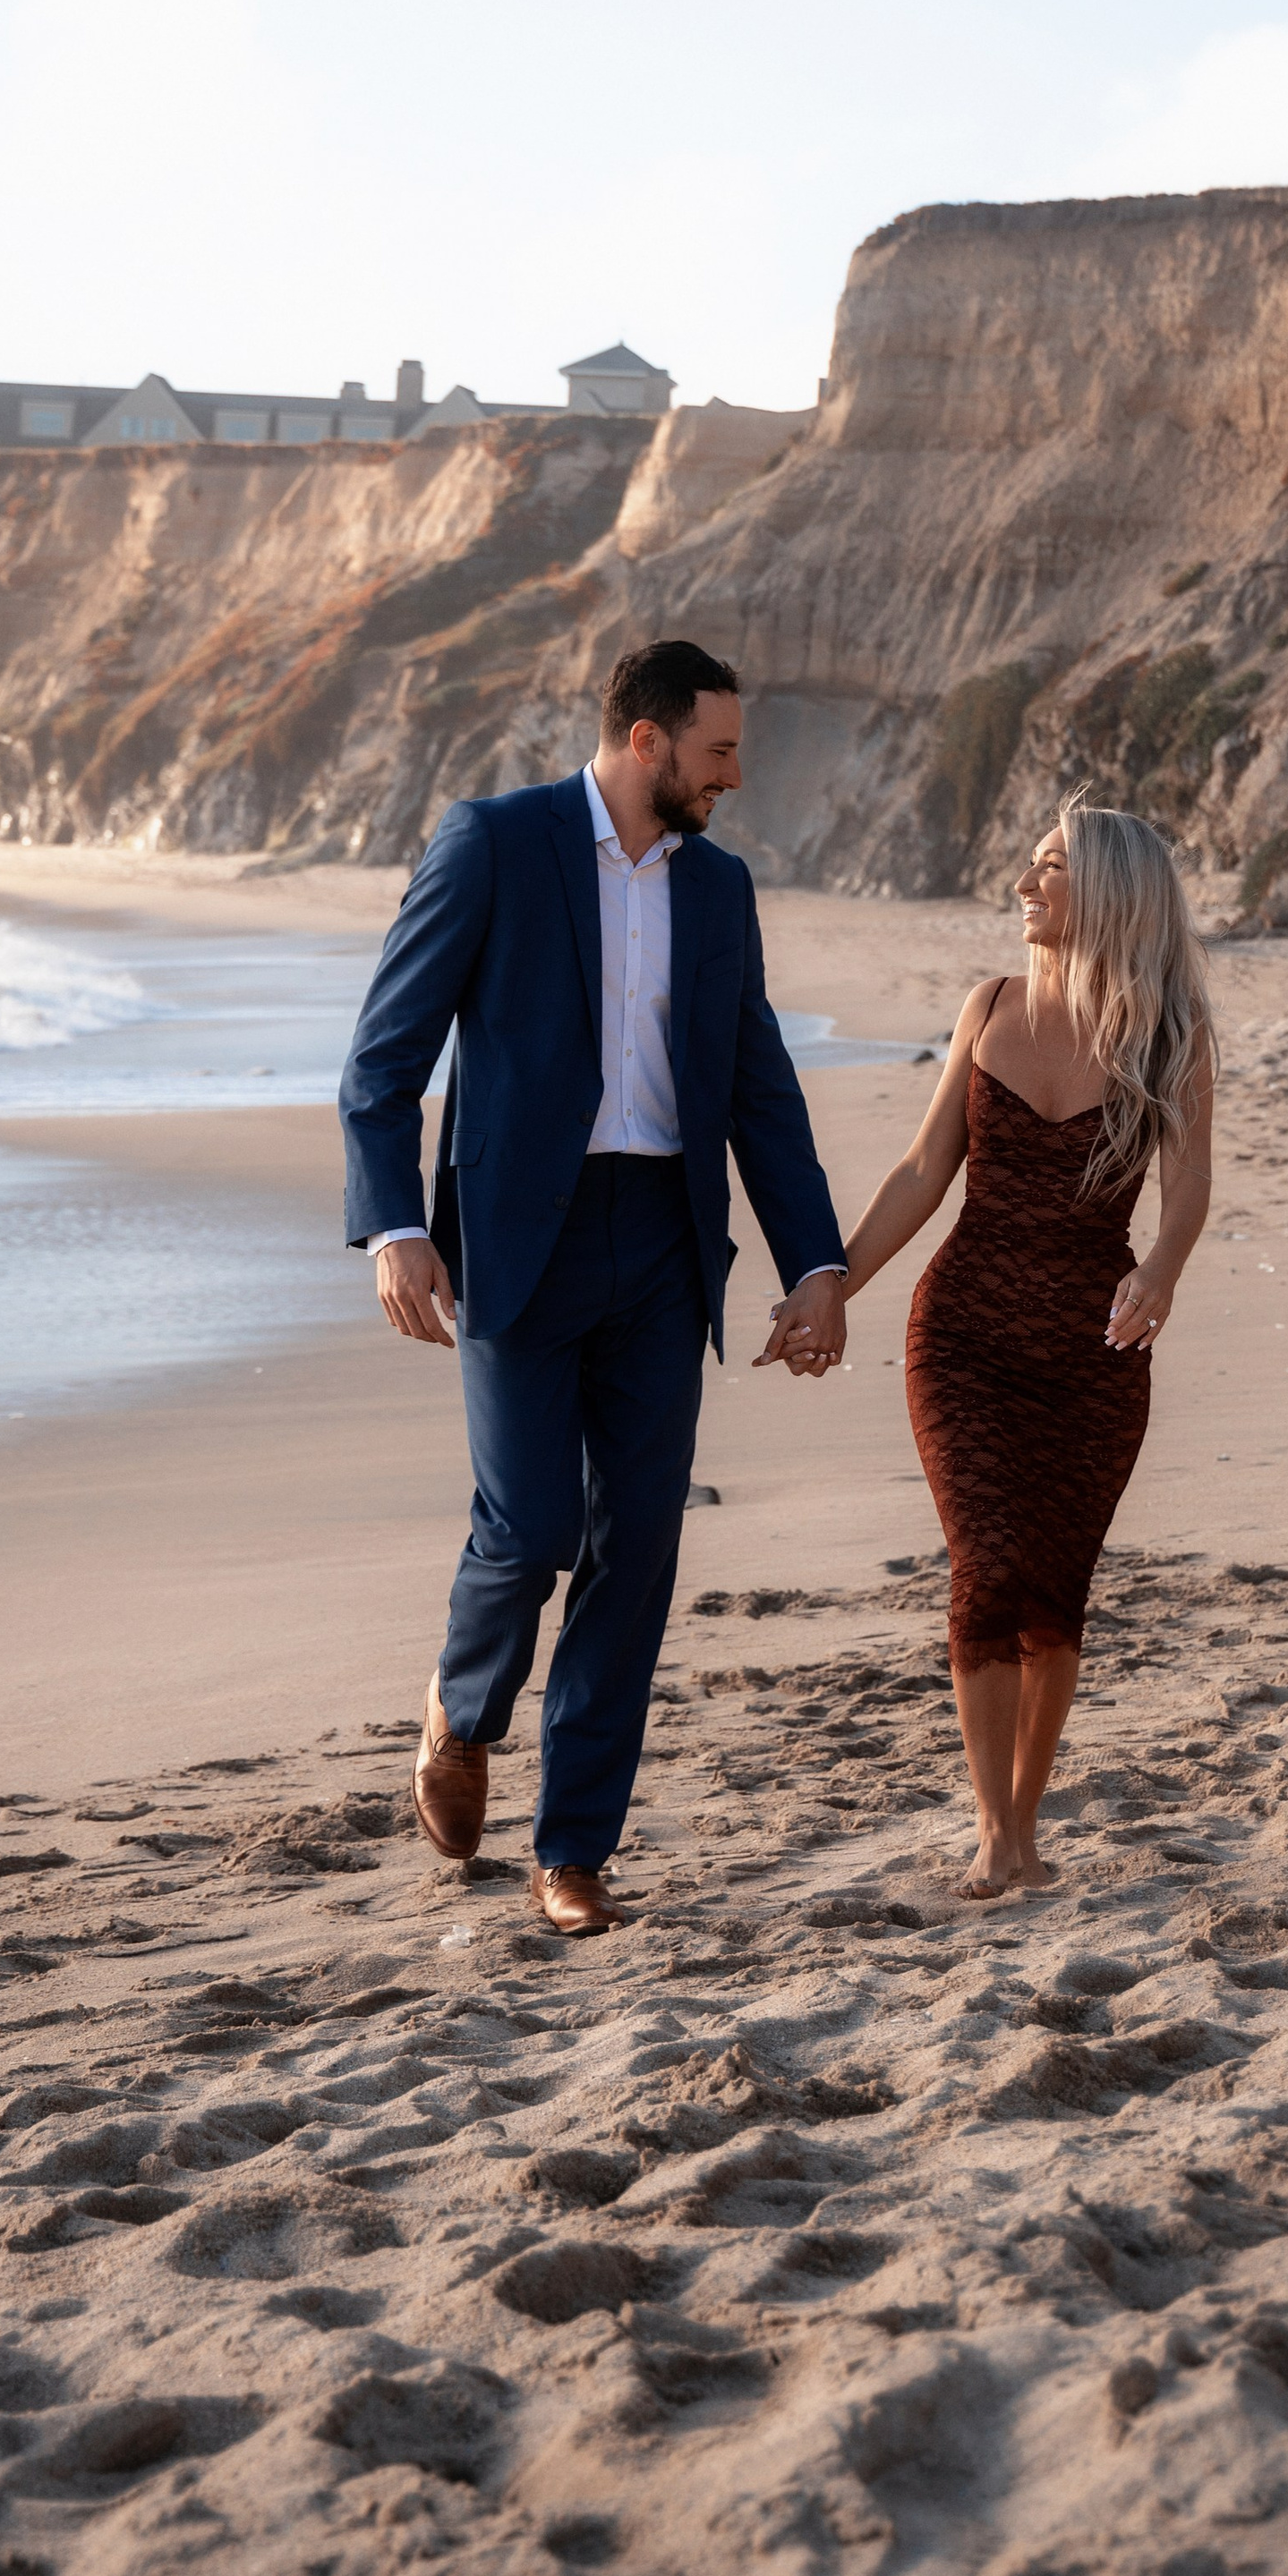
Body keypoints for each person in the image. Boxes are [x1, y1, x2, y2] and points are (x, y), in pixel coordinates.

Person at [338, 638, 848, 1937]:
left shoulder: (721, 892)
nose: (736, 776)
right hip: (520, 1241)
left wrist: (816, 1264)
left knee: (638, 1547)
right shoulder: (494, 845)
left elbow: (757, 1089)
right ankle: (461, 1710)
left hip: (665, 1246)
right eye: (720, 750)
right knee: (532, 1531)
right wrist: (397, 1225)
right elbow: (384, 1056)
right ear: (647, 743)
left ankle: (572, 1852)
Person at [836, 799, 1214, 1897]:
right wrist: (832, 1286)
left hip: (1092, 1348)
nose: (1023, 884)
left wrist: (1160, 1271)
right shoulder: (988, 1007)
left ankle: (1024, 1823)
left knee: (1054, 1595)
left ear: (1105, 892)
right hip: (962, 1334)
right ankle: (995, 1835)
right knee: (985, 1569)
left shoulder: (1167, 1029)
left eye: (1049, 870)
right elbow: (920, 1171)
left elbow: (1188, 1185)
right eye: (1030, 865)